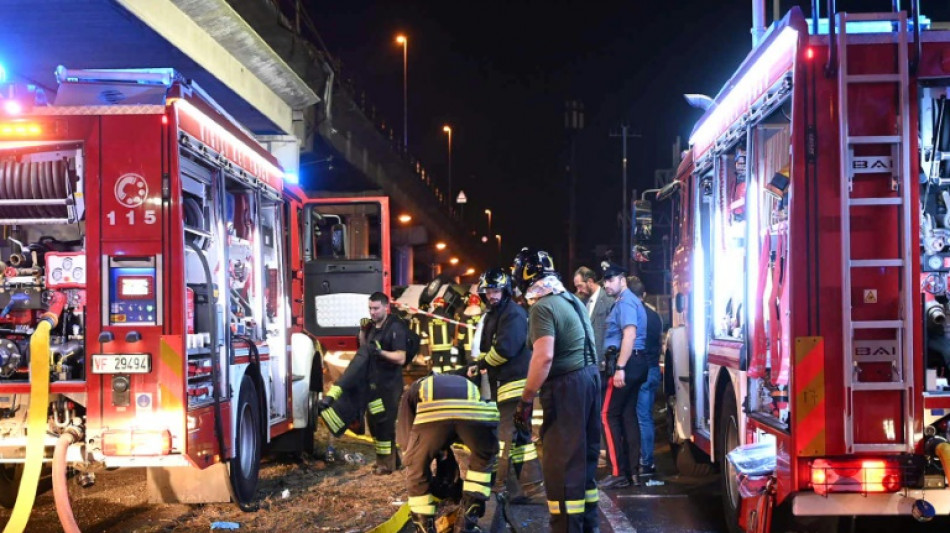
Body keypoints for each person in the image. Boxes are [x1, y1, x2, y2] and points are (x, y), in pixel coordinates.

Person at [511, 248, 601, 533]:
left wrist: (526, 400)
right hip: (588, 379)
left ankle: (564, 528)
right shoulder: (570, 299)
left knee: (561, 464)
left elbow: (544, 356)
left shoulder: (542, 307)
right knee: (584, 460)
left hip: (567, 386)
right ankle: (588, 526)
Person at [468, 267, 543, 501]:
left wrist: (484, 363)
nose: (492, 295)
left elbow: (505, 348)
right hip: (506, 386)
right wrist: (480, 363)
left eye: (496, 290)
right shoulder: (494, 314)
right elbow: (486, 347)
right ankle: (530, 486)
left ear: (506, 290)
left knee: (504, 436)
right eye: (488, 291)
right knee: (521, 438)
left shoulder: (513, 314)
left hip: (515, 388)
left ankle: (500, 484)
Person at [397, 373, 499, 533]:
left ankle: (425, 529)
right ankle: (466, 525)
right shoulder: (464, 383)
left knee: (416, 470)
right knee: (482, 463)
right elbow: (457, 425)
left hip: (435, 416)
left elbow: (406, 438)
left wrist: (417, 458)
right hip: (478, 414)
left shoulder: (411, 392)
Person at [319, 292, 408, 475]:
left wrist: (380, 353)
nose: (372, 312)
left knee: (383, 423)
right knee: (375, 424)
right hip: (373, 383)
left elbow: (401, 357)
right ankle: (394, 461)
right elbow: (364, 348)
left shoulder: (396, 327)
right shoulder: (372, 327)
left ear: (386, 307)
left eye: (376, 308)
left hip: (389, 384)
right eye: (370, 308)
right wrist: (362, 331)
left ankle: (385, 465)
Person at [599, 262, 649, 489]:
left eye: (611, 280)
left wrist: (619, 367)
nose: (606, 284)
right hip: (635, 362)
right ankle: (633, 472)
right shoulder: (626, 301)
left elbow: (629, 335)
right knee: (627, 416)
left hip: (626, 363)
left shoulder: (626, 301)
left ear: (623, 280)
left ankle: (618, 471)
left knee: (607, 414)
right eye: (605, 281)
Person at [627, 275, 662, 477]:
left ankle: (642, 460)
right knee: (646, 417)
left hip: (639, 370)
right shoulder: (654, 315)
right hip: (653, 369)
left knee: (638, 418)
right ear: (644, 294)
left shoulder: (634, 316)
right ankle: (647, 461)